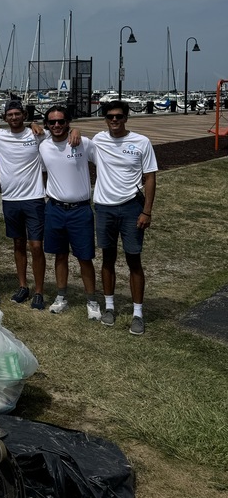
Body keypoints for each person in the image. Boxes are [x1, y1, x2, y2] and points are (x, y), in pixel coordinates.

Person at [92, 100, 158, 335]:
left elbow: (150, 177)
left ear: (126, 118)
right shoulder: (99, 140)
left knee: (134, 260)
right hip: (104, 208)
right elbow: (68, 137)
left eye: (119, 116)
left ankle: (138, 312)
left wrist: (146, 211)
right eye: (110, 116)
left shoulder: (141, 142)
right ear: (105, 119)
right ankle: (109, 307)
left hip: (131, 208)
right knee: (107, 258)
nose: (115, 120)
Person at [38, 105, 102, 320]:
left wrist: (78, 131)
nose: (57, 125)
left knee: (85, 257)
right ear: (47, 124)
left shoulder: (82, 143)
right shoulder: (44, 146)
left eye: (61, 122)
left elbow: (104, 163)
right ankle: (61, 295)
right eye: (52, 122)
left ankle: (92, 300)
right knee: (60, 255)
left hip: (80, 210)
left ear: (68, 123)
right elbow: (30, 129)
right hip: (55, 208)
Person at [0, 100, 48, 309]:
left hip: (34, 198)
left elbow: (61, 133)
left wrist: (74, 129)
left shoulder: (37, 134)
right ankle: (23, 286)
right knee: (18, 244)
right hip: (10, 199)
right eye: (10, 115)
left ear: (23, 115)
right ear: (5, 117)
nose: (14, 117)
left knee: (36, 246)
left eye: (17, 114)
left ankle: (39, 291)